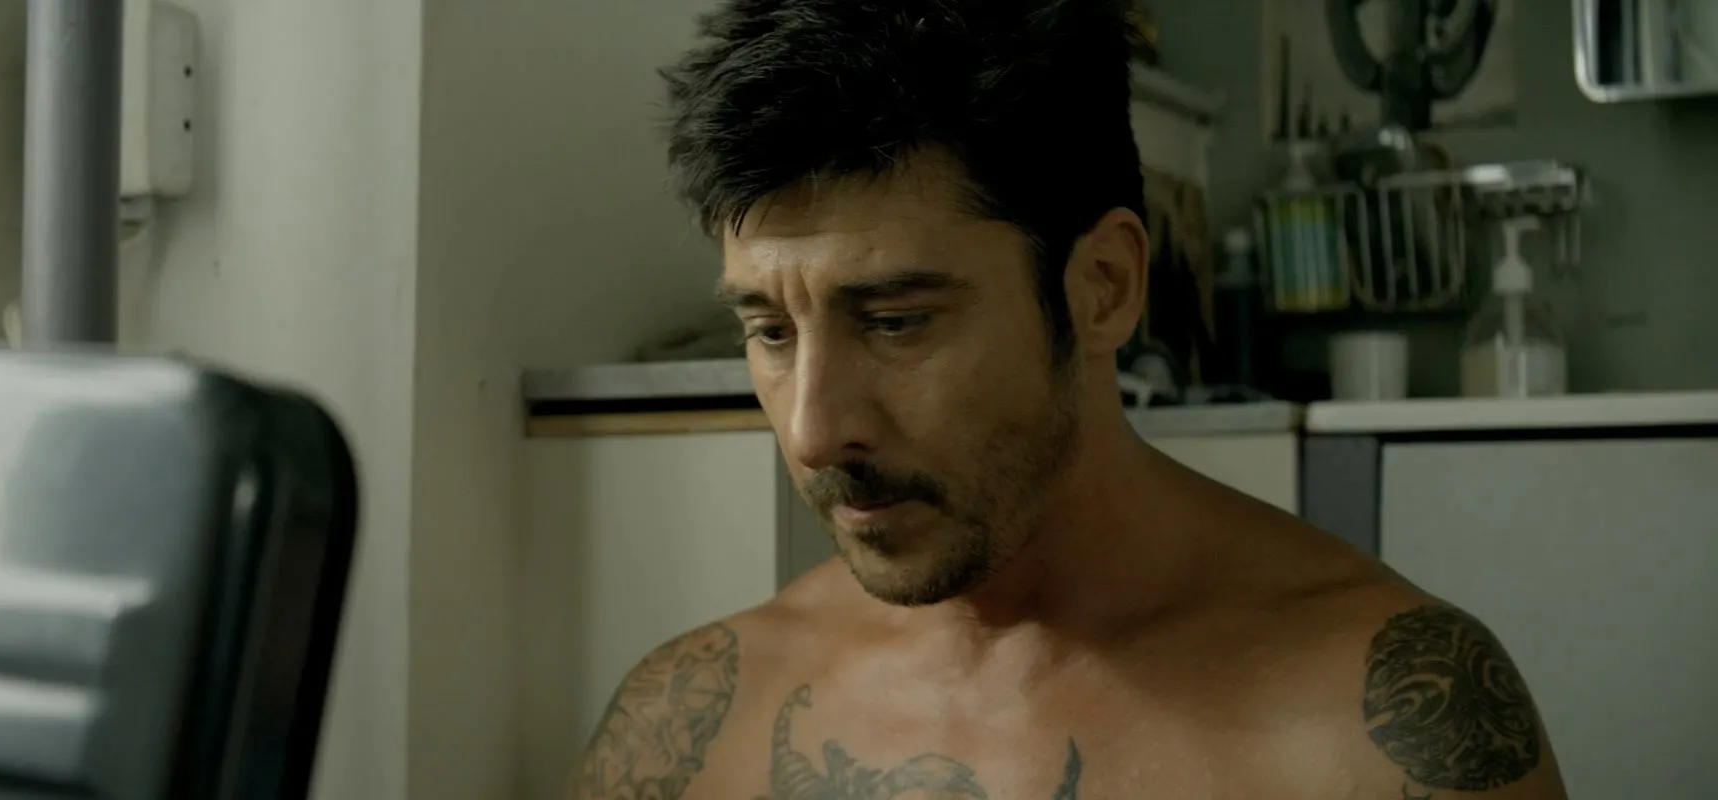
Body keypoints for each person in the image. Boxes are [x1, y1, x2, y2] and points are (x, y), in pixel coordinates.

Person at [569, 1, 1570, 797]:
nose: (814, 429)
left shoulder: (1383, 727)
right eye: (771, 332)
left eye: (898, 321)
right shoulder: (698, 725)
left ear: (1103, 286)